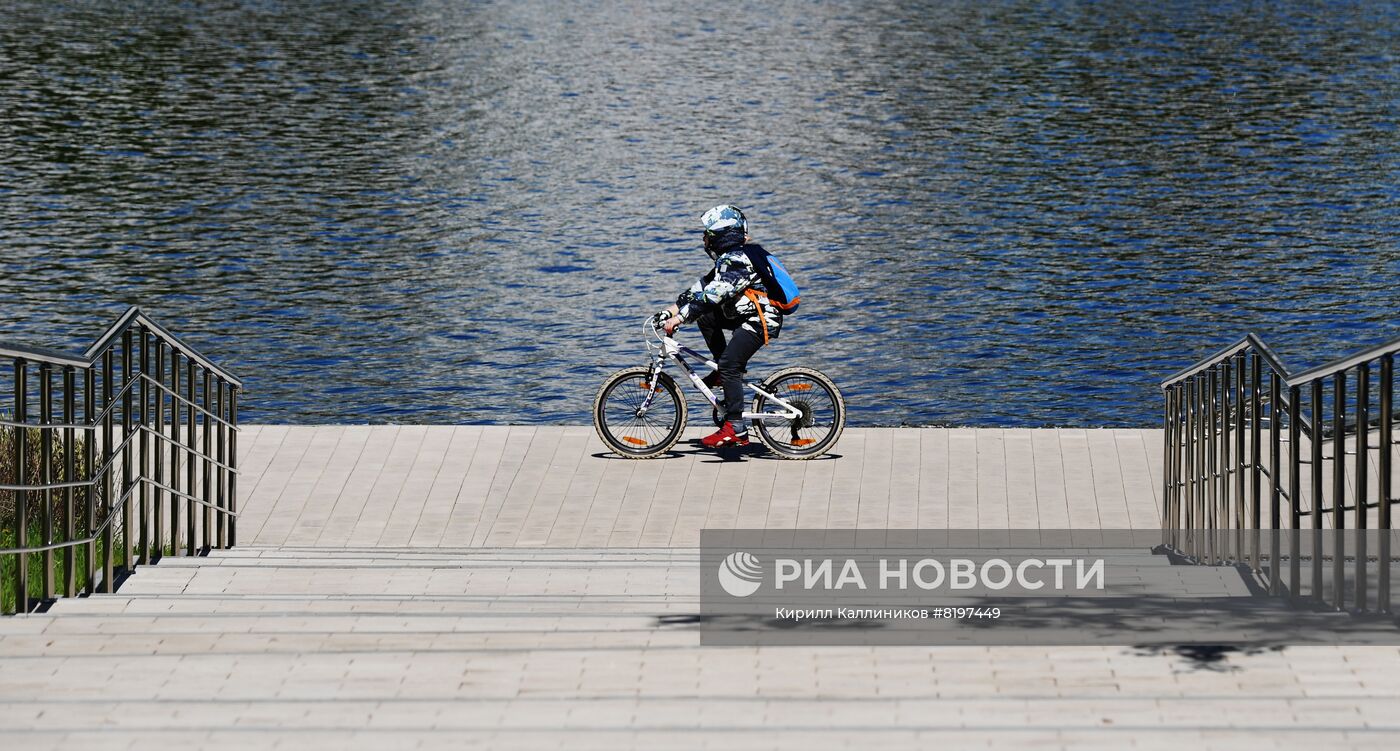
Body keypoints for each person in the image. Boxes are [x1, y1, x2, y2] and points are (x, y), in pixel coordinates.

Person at [658, 205, 784, 449]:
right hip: (744, 316)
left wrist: (680, 319)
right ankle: (721, 371)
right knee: (707, 320)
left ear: (721, 236)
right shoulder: (727, 261)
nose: (704, 240)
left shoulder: (737, 261)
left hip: (760, 321)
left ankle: (736, 428)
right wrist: (668, 312)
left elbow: (711, 297)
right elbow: (698, 290)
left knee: (730, 364)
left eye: (707, 235)